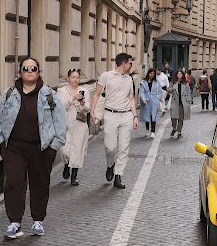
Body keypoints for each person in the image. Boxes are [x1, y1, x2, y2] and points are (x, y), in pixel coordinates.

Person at [0, 57, 67, 238]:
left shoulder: (49, 94)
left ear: (38, 72)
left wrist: (54, 146)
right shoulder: (10, 93)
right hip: (14, 148)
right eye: (25, 68)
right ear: (20, 72)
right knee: (14, 183)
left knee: (40, 184)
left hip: (41, 149)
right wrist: (1, 140)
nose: (29, 71)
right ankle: (15, 223)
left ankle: (38, 220)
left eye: (33, 68)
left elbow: (61, 121)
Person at [91, 52, 139, 189]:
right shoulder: (107, 76)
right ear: (123, 63)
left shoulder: (129, 79)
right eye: (130, 63)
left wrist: (135, 116)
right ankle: (110, 164)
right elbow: (97, 94)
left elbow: (131, 98)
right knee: (110, 147)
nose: (131, 66)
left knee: (124, 148)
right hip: (110, 115)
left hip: (126, 116)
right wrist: (92, 112)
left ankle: (118, 175)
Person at [57, 68, 90, 186]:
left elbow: (87, 109)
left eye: (77, 77)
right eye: (73, 77)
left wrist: (82, 104)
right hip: (65, 125)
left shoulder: (84, 91)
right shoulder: (61, 91)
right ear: (68, 78)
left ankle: (74, 176)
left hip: (80, 125)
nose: (75, 79)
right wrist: (72, 98)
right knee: (65, 150)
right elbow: (61, 107)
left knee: (77, 150)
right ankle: (66, 165)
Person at [167, 69, 192, 138]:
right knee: (173, 117)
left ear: (182, 75)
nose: (179, 75)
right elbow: (168, 89)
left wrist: (189, 100)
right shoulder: (173, 82)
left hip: (183, 103)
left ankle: (179, 131)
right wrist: (172, 88)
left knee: (181, 118)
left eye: (180, 74)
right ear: (176, 75)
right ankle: (174, 128)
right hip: (175, 102)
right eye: (178, 74)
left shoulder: (185, 83)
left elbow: (188, 92)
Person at [139, 68, 161, 138]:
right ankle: (147, 129)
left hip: (154, 100)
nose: (152, 75)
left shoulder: (157, 82)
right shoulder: (143, 82)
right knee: (146, 116)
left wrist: (158, 99)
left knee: (153, 116)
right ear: (148, 73)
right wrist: (143, 99)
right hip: (146, 101)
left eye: (153, 74)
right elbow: (141, 91)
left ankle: (153, 131)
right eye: (151, 73)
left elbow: (160, 92)